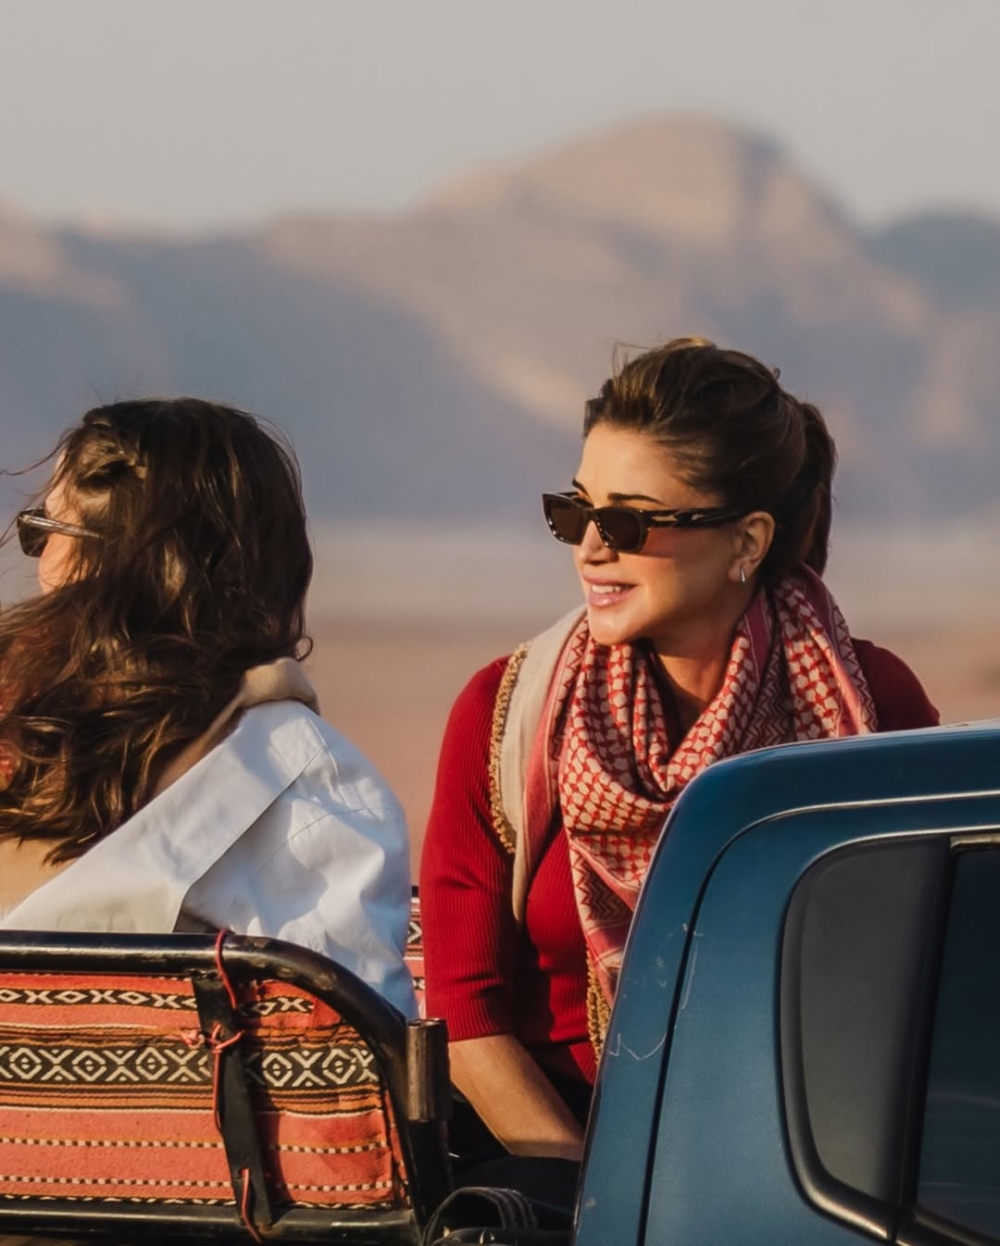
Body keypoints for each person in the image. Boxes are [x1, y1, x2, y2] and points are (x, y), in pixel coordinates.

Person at [420, 337, 939, 1163]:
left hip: (804, 1165)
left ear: (747, 541)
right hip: (556, 1169)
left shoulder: (870, 708)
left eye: (627, 521)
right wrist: (605, 1204)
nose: (590, 547)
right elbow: (465, 1020)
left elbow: (922, 980)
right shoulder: (505, 713)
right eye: (575, 512)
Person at [0, 398, 416, 1019]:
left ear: (106, 562)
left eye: (42, 531)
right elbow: (351, 1050)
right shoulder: (318, 788)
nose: (38, 567)